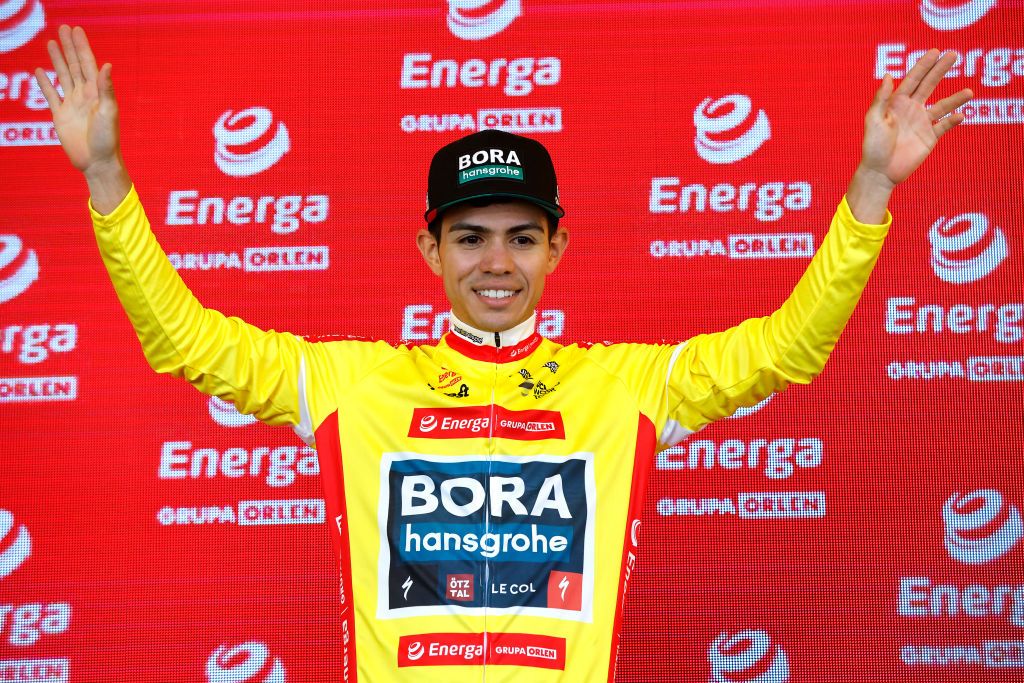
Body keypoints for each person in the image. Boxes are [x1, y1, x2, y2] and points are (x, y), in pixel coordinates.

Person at [36, 24, 972, 683]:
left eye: (522, 237)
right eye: (471, 235)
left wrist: (869, 190)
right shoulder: (354, 382)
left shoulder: (625, 385)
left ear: (556, 249)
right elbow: (184, 340)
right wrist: (107, 177)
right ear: (429, 250)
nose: (495, 261)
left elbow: (787, 349)